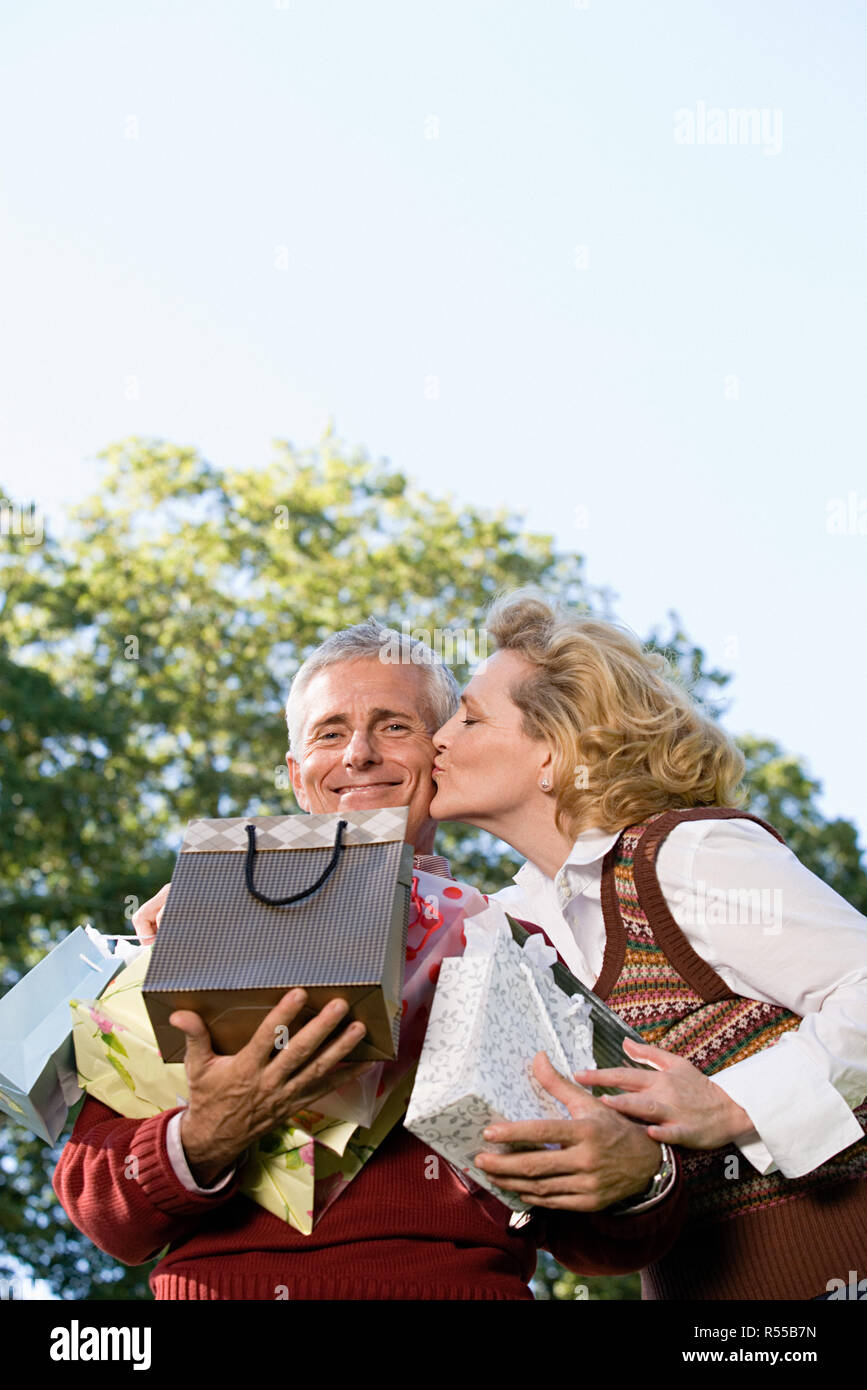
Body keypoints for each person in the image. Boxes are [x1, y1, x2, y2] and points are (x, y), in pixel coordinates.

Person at [53, 621, 685, 1301]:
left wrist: (639, 1179)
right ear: (299, 777)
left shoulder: (516, 937)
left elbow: (607, 1243)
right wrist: (203, 1136)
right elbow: (100, 1207)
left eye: (392, 727)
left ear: (442, 754)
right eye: (329, 733)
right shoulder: (190, 924)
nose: (357, 754)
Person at [429, 589, 867, 1300]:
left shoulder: (683, 856)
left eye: (470, 717)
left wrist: (732, 1104)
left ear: (554, 752)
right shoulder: (508, 931)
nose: (438, 739)